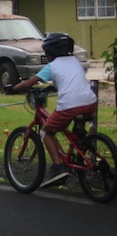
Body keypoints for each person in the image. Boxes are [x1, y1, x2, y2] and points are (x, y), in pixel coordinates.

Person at [5, 32, 98, 188]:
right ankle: (81, 148)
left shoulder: (52, 66)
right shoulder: (75, 61)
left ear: (49, 52)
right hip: (90, 102)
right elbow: (68, 80)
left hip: (70, 106)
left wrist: (13, 88)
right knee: (76, 132)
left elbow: (29, 84)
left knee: (46, 132)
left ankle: (58, 168)